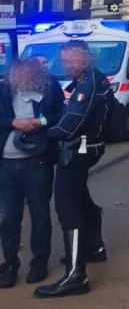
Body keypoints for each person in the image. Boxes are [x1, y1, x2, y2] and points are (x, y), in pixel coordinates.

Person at [35, 41, 111, 297]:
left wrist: (41, 134)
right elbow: (66, 115)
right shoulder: (86, 79)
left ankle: (76, 276)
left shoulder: (88, 84)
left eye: (72, 61)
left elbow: (69, 126)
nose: (67, 66)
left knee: (66, 204)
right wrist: (43, 121)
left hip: (78, 150)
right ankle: (94, 248)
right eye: (64, 61)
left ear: (85, 59)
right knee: (81, 197)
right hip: (86, 148)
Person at [0, 60, 64, 288]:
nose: (25, 77)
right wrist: (13, 122)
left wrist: (40, 121)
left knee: (40, 214)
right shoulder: (3, 90)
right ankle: (9, 264)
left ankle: (39, 263)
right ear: (13, 75)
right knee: (9, 217)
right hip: (7, 164)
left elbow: (60, 114)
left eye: (30, 74)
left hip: (37, 161)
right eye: (21, 74)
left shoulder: (50, 87)